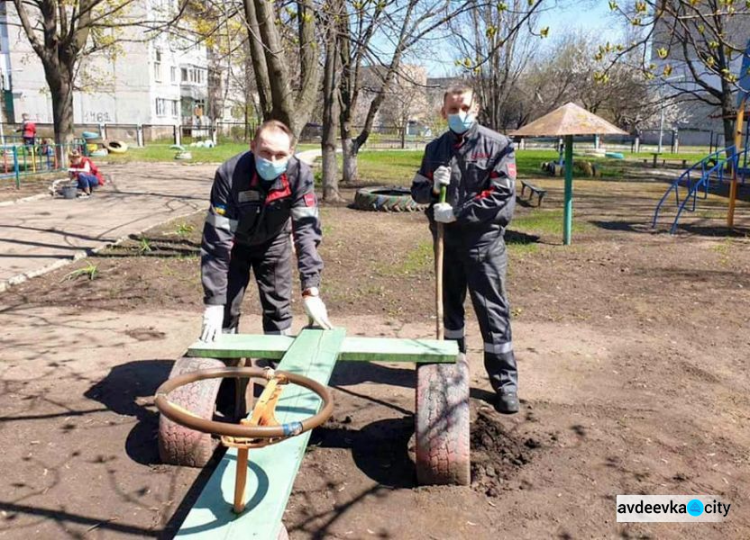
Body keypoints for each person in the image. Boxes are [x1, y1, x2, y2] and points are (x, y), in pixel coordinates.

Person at [411, 86, 519, 414]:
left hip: (483, 246)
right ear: (443, 112)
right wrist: (431, 187)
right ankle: (453, 369)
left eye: (465, 107)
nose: (460, 114)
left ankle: (505, 383)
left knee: (492, 313)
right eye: (453, 108)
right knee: (451, 314)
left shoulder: (497, 146)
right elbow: (416, 190)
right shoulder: (435, 149)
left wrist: (459, 211)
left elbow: (501, 195)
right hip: (447, 244)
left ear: (477, 108)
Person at [199, 119, 332, 342]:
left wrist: (311, 289)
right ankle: (227, 370)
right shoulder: (230, 174)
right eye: (265, 152)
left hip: (275, 244)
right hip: (235, 246)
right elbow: (217, 239)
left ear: (291, 152)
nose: (272, 160)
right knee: (225, 310)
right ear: (253, 147)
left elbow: (306, 232)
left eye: (280, 155)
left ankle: (276, 371)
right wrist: (213, 301)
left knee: (278, 310)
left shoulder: (300, 175)